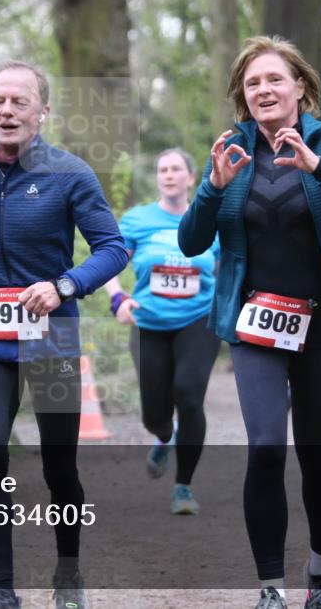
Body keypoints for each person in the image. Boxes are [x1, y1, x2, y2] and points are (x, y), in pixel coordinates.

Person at [178, 35, 321, 609]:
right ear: (243, 98)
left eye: (275, 79)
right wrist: (212, 187)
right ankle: (269, 586)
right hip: (256, 327)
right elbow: (192, 240)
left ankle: (320, 574)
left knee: (317, 454)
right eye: (253, 84)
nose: (265, 90)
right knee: (266, 448)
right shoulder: (231, 150)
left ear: (300, 87)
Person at [0, 60, 128, 609]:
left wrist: (65, 285)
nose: (6, 111)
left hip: (53, 337)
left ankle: (68, 573)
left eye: (19, 102)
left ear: (43, 112)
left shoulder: (70, 173)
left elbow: (113, 248)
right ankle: (2, 589)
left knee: (58, 462)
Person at [102, 147, 221, 515]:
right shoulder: (138, 219)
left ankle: (183, 486)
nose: (168, 175)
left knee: (188, 395)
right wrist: (118, 298)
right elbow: (110, 260)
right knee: (154, 412)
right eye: (162, 169)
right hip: (148, 321)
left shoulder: (208, 219)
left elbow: (228, 265)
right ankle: (164, 435)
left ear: (190, 178)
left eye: (176, 169)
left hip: (199, 320)